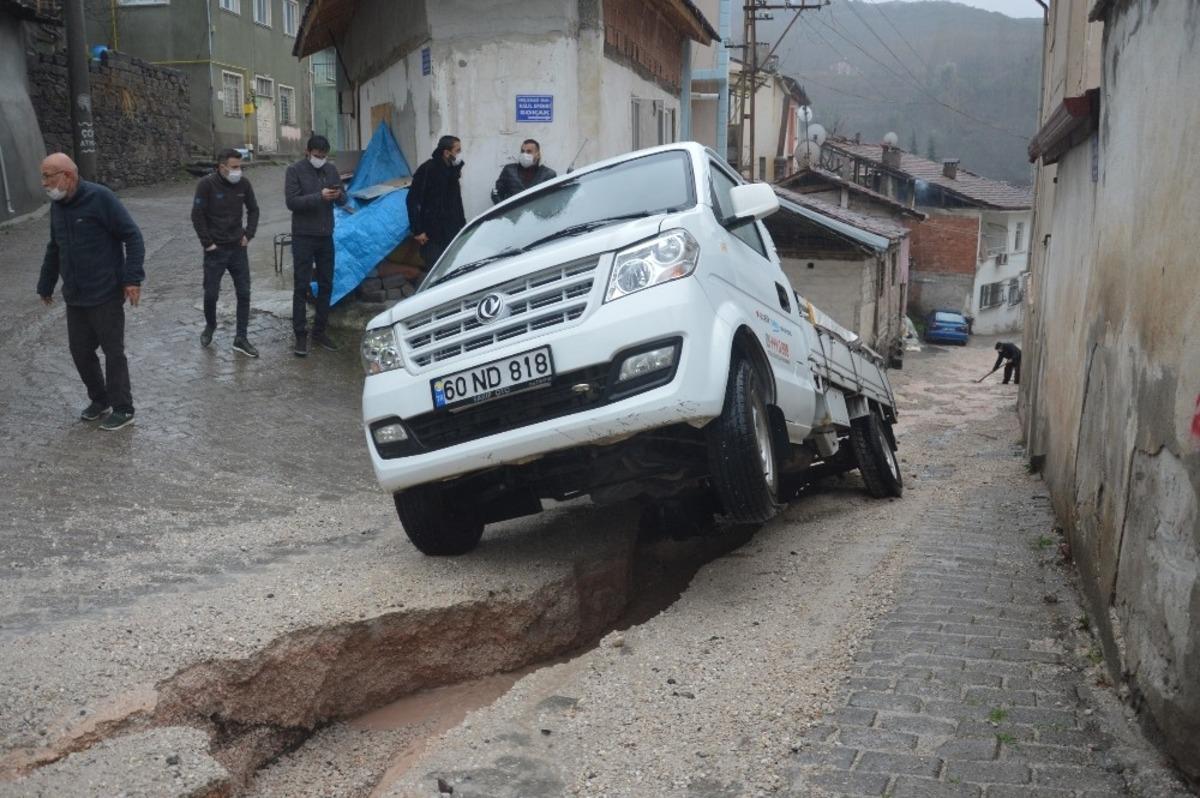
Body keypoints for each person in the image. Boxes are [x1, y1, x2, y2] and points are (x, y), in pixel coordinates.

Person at [36, 153, 145, 431]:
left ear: (67, 176)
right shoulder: (58, 207)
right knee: (80, 352)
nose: (44, 182)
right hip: (75, 295)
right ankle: (101, 399)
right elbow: (54, 247)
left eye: (48, 176)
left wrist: (132, 279)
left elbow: (132, 236)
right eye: (43, 176)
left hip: (105, 292)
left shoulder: (101, 198)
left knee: (113, 352)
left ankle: (123, 408)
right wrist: (46, 284)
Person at [191, 148, 260, 357]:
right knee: (211, 294)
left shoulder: (244, 184)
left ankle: (241, 337)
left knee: (244, 293)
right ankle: (210, 325)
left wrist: (249, 234)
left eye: (240, 167)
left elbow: (254, 209)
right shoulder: (206, 185)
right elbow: (197, 215)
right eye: (235, 167)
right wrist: (208, 243)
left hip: (238, 248)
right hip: (215, 250)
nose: (238, 171)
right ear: (222, 167)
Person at [285, 134, 346, 357]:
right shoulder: (295, 171)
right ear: (307, 152)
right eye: (317, 155)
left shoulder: (330, 170)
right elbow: (292, 202)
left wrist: (339, 195)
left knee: (326, 283)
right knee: (301, 285)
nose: (320, 159)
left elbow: (344, 199)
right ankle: (300, 335)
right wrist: (319, 196)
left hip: (325, 235)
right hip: (303, 236)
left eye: (324, 156)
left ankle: (319, 331)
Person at [407, 134, 466, 271]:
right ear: (446, 153)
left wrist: (462, 226)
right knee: (436, 272)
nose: (460, 154)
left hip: (452, 231)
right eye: (457, 151)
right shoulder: (428, 169)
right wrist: (418, 230)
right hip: (432, 235)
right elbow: (412, 200)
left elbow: (456, 202)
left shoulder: (452, 171)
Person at [491, 139, 556, 204]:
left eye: (529, 151)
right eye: (522, 151)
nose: (524, 154)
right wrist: (504, 210)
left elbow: (553, 199)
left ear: (538, 155)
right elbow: (497, 193)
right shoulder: (509, 170)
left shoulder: (548, 175)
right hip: (513, 212)